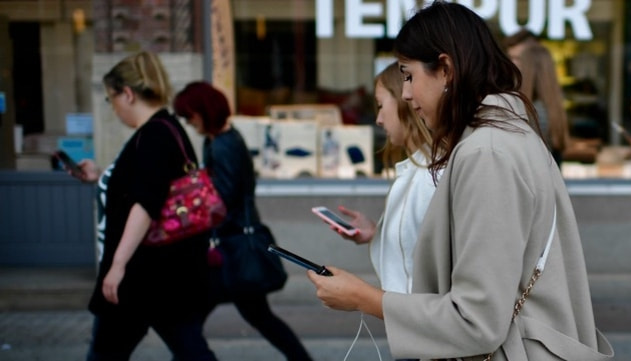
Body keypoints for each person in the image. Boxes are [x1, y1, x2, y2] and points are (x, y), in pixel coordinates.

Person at [307, 2, 614, 360]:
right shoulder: (503, 134)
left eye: (408, 75)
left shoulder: (487, 152)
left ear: (446, 70)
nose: (406, 94)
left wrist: (363, 298)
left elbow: (476, 321)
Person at [74, 51, 216, 360]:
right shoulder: (165, 130)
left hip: (145, 275)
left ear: (127, 94)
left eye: (110, 100)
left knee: (107, 353)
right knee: (188, 349)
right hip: (166, 275)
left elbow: (145, 203)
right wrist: (100, 177)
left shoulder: (153, 135)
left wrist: (117, 265)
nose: (112, 109)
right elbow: (141, 187)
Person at [173, 81, 314, 361]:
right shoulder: (218, 140)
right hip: (231, 245)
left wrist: (190, 206)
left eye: (189, 116)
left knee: (190, 322)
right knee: (256, 317)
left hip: (232, 247)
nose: (188, 123)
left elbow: (221, 201)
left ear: (203, 111)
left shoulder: (225, 145)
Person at [329, 62, 436, 300]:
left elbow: (423, 274)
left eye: (380, 106)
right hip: (415, 324)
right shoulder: (419, 170)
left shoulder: (430, 175)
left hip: (420, 325)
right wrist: (378, 233)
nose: (378, 119)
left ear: (405, 102)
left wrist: (357, 296)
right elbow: (416, 247)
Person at [504, 28, 570, 166]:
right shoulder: (550, 107)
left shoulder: (533, 112)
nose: (512, 64)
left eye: (518, 58)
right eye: (510, 57)